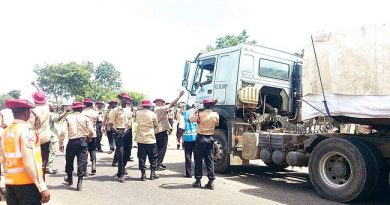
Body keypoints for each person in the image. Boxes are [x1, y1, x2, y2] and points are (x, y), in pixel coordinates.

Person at [0, 99, 50, 204]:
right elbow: (30, 163)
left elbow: (3, 160)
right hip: (27, 184)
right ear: (27, 113)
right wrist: (42, 187)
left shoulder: (6, 132)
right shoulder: (26, 132)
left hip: (11, 184)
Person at [60, 102, 94, 191]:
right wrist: (89, 138)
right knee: (82, 161)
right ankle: (79, 182)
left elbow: (63, 131)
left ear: (73, 109)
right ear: (81, 109)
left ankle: (70, 178)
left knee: (69, 160)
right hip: (83, 141)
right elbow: (91, 130)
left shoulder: (68, 118)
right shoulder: (86, 118)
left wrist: (61, 142)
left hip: (72, 141)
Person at [190, 99, 219, 190]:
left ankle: (198, 180)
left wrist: (195, 110)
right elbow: (217, 124)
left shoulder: (200, 114)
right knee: (209, 159)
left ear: (204, 105)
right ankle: (211, 181)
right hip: (210, 138)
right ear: (211, 106)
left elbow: (190, 119)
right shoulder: (216, 115)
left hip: (201, 138)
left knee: (198, 159)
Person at [153, 90, 185, 170]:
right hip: (161, 130)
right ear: (159, 102)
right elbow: (172, 104)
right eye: (162, 102)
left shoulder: (156, 109)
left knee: (158, 147)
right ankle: (158, 163)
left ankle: (158, 162)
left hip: (157, 130)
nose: (163, 103)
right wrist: (179, 96)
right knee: (162, 148)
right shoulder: (160, 108)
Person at [29, 81, 51, 181]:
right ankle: (42, 181)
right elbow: (43, 96)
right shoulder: (46, 107)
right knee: (43, 162)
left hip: (33, 139)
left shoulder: (30, 110)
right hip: (45, 138)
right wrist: (36, 85)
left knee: (32, 161)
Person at [109, 93, 133, 183]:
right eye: (123, 98)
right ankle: (121, 174)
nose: (125, 100)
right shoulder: (115, 110)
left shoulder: (129, 110)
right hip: (119, 132)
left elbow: (131, 120)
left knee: (128, 152)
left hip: (128, 132)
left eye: (127, 99)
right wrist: (117, 132)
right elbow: (111, 124)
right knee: (121, 152)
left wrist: (131, 126)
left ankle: (123, 167)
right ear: (120, 99)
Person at [134, 100, 159, 181]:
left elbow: (135, 124)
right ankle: (152, 174)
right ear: (149, 106)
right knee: (153, 157)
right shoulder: (153, 114)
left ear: (142, 106)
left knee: (141, 158)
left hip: (140, 139)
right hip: (150, 139)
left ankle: (143, 174)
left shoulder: (137, 113)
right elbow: (155, 125)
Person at [46, 104, 69, 174]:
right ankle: (48, 168)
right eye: (53, 106)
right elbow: (57, 119)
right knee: (52, 152)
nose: (55, 107)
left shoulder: (48, 114)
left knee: (47, 153)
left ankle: (47, 167)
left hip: (47, 135)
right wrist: (65, 112)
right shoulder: (49, 114)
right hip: (51, 136)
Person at [177, 102, 198, 178]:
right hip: (197, 137)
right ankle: (197, 173)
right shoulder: (198, 113)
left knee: (188, 155)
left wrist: (179, 137)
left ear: (188, 106)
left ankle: (188, 173)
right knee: (197, 156)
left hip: (187, 138)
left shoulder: (185, 114)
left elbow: (182, 127)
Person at [81, 98, 99, 175]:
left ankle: (84, 170)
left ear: (84, 104)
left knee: (84, 151)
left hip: (84, 133)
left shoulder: (81, 113)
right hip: (93, 133)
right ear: (91, 104)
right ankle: (93, 165)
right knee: (93, 150)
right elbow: (98, 121)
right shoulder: (95, 112)